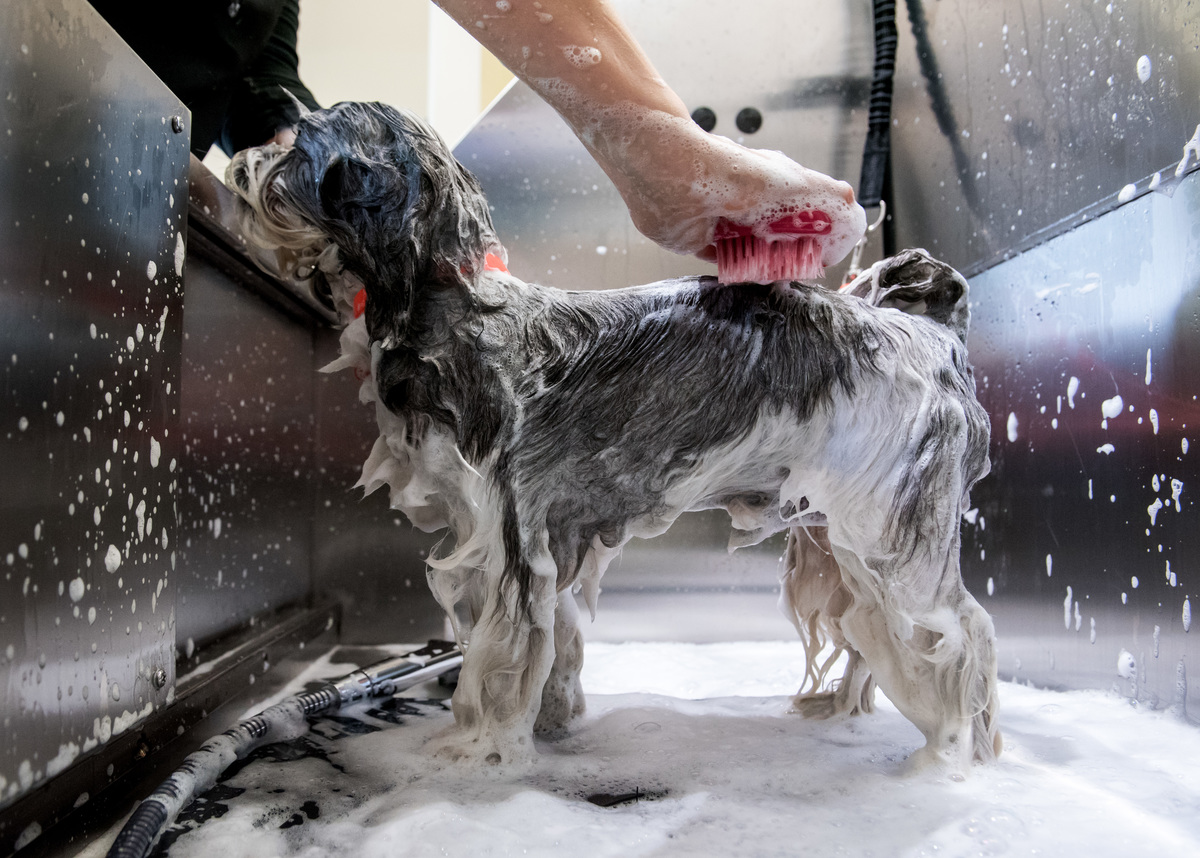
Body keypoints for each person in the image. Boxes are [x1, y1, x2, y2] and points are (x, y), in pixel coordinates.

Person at [96, 0, 865, 266]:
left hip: (129, 205)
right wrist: (650, 139)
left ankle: (655, 148)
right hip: (44, 143)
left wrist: (344, 190)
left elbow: (263, 86)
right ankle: (655, 150)